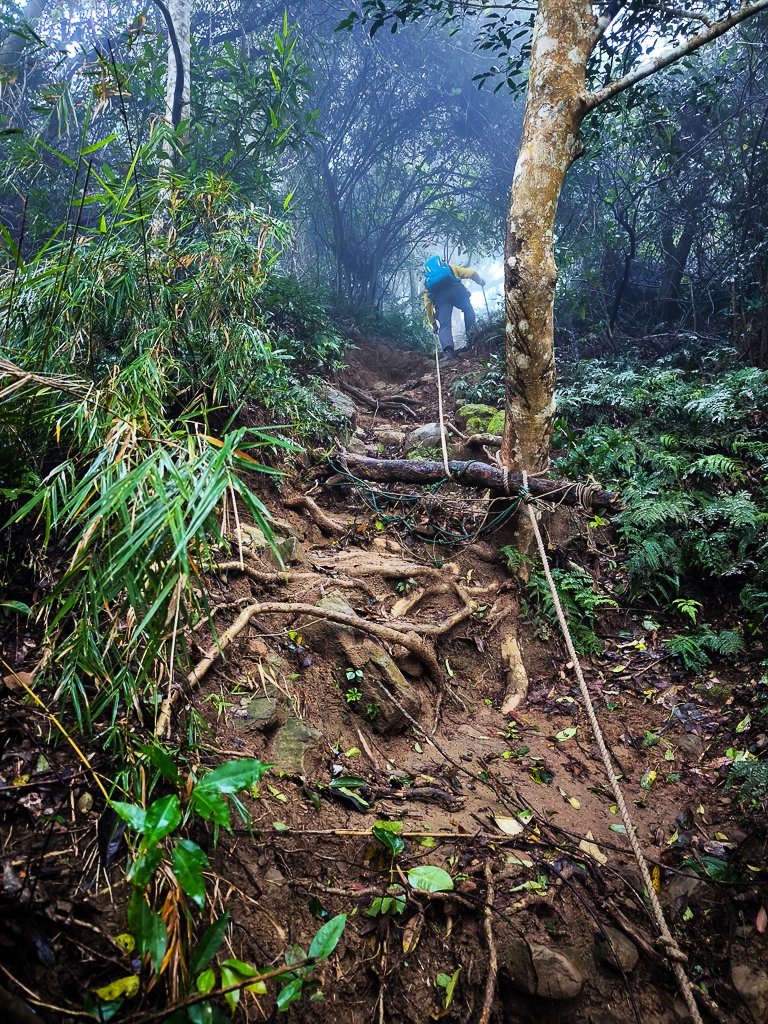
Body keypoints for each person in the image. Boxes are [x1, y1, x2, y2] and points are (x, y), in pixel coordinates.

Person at [423, 255, 485, 359]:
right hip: (457, 292)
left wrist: (433, 323)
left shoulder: (428, 283)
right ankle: (473, 338)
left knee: (445, 325)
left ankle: (448, 352)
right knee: (468, 310)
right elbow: (472, 273)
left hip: (441, 300)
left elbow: (428, 305)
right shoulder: (451, 268)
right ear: (442, 263)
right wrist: (480, 281)